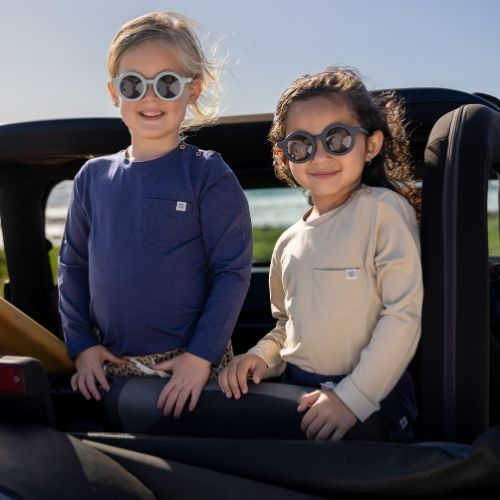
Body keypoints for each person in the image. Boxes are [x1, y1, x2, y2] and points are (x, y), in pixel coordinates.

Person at [59, 11, 252, 419]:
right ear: (114, 93)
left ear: (192, 89)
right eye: (134, 84)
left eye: (166, 84)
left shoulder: (207, 174)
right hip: (112, 371)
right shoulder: (92, 178)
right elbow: (72, 267)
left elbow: (232, 272)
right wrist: (81, 344)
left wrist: (200, 356)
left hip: (194, 369)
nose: (150, 97)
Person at [218, 67, 423, 442]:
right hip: (301, 393)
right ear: (284, 156)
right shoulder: (288, 242)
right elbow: (287, 327)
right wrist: (260, 357)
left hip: (374, 398)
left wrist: (351, 398)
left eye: (337, 138)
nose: (320, 155)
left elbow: (402, 317)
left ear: (371, 145)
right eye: (301, 144)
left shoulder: (382, 211)